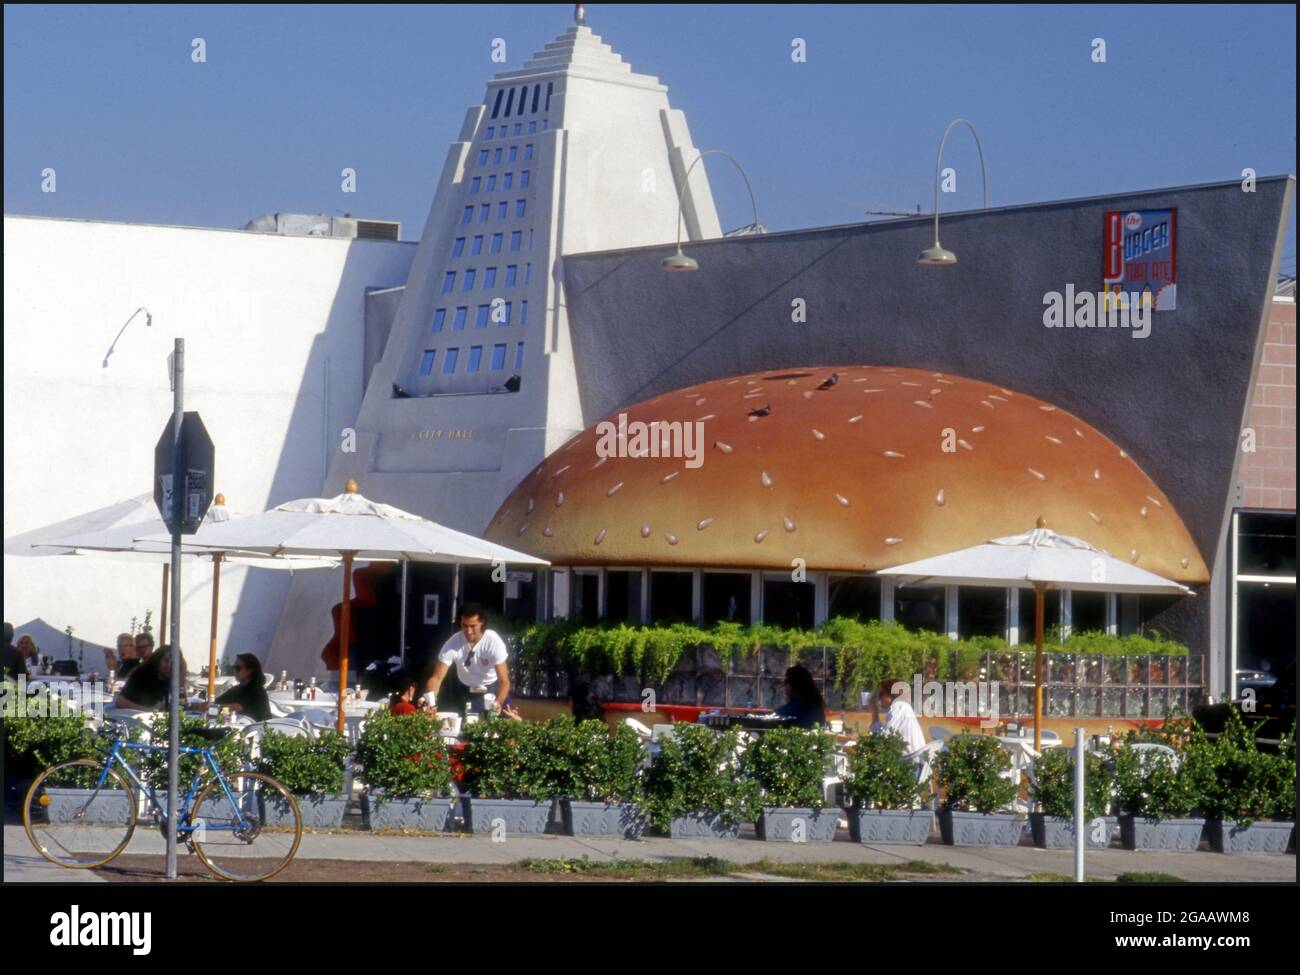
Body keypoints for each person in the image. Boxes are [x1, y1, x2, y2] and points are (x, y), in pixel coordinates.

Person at [422, 602, 510, 717]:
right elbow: (436, 678)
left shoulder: (493, 642)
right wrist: (431, 702)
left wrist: (499, 702)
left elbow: (504, 681)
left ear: (482, 622)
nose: (468, 631)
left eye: (473, 626)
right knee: (467, 729)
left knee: (499, 729)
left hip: (493, 688)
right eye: (465, 626)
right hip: (466, 690)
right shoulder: (453, 643)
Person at [190, 653, 271, 721]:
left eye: (238, 668)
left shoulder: (257, 691)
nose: (235, 671)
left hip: (258, 732)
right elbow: (216, 702)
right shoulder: (237, 690)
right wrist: (197, 705)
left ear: (249, 670)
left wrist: (207, 707)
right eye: (234, 668)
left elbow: (236, 707)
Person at [114, 644, 187, 711]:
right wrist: (149, 711)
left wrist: (182, 675)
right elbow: (120, 702)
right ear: (158, 660)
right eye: (166, 661)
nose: (169, 666)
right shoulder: (142, 676)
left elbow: (181, 706)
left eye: (174, 663)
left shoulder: (170, 680)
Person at [870, 678, 926, 754]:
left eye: (881, 694)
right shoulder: (900, 707)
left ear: (890, 694)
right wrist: (874, 711)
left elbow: (885, 738)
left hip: (913, 761)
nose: (879, 698)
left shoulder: (900, 706)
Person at [773, 664, 826, 728]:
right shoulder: (816, 704)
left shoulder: (797, 705)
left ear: (794, 684)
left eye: (786, 681)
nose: (784, 686)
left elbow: (776, 715)